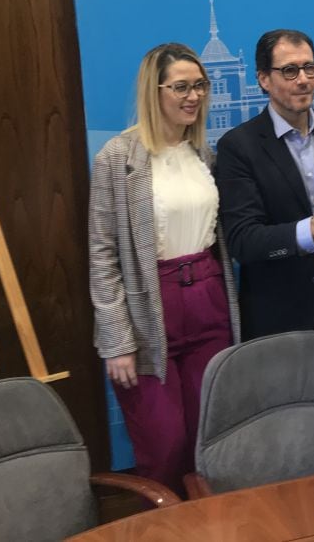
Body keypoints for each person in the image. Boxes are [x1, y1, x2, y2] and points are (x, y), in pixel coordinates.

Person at [89, 42, 239, 494]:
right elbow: (102, 251)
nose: (193, 96)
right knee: (164, 441)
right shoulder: (118, 157)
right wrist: (117, 340)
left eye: (199, 86)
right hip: (149, 309)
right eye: (180, 87)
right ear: (153, 91)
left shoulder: (204, 154)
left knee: (211, 434)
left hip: (208, 299)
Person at [215, 29, 314, 344]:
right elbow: (243, 241)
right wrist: (309, 230)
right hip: (280, 315)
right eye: (289, 71)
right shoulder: (238, 147)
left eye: (309, 68)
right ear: (263, 79)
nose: (303, 79)